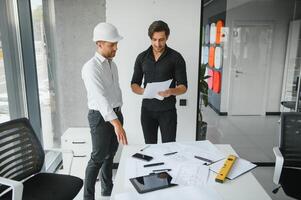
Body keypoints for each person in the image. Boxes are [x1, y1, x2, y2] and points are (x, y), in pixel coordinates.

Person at [81, 22, 128, 200]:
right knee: (97, 157)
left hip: (116, 113)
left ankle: (107, 190)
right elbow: (100, 98)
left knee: (110, 155)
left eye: (116, 44)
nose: (116, 48)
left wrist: (118, 117)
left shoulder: (112, 64)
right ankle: (88, 196)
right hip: (100, 117)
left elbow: (115, 92)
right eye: (111, 44)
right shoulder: (90, 67)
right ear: (99, 44)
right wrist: (116, 123)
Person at [131, 20, 187, 144]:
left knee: (169, 148)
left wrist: (171, 91)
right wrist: (144, 91)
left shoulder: (176, 58)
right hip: (147, 111)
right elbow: (134, 84)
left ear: (167, 37)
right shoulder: (141, 57)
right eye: (154, 39)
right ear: (150, 38)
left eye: (161, 39)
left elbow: (183, 87)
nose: (157, 43)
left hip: (167, 111)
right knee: (150, 147)